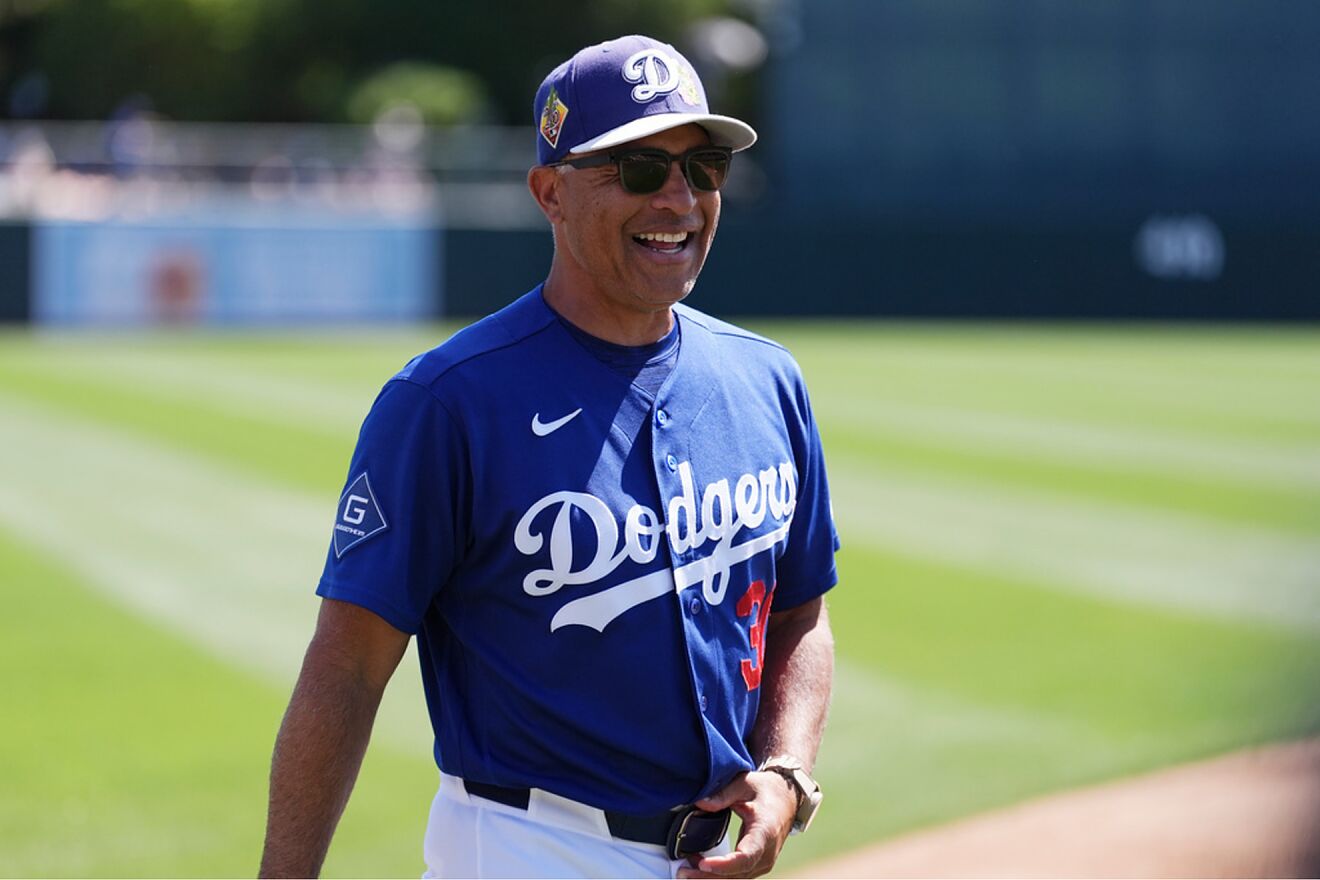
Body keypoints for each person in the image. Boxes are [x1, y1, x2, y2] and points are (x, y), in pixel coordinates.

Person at [259, 34, 839, 880]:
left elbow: (801, 615)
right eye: (639, 169)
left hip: (708, 860)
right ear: (549, 193)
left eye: (702, 166)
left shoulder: (768, 378)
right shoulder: (448, 402)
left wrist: (786, 767)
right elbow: (345, 672)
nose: (678, 197)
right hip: (528, 850)